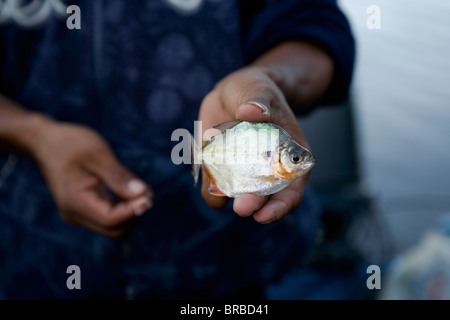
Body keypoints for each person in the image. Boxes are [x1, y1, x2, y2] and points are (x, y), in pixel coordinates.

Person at [0, 0, 354, 299]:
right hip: (32, 261)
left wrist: (272, 77)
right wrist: (35, 136)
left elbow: (313, 22)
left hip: (240, 268)